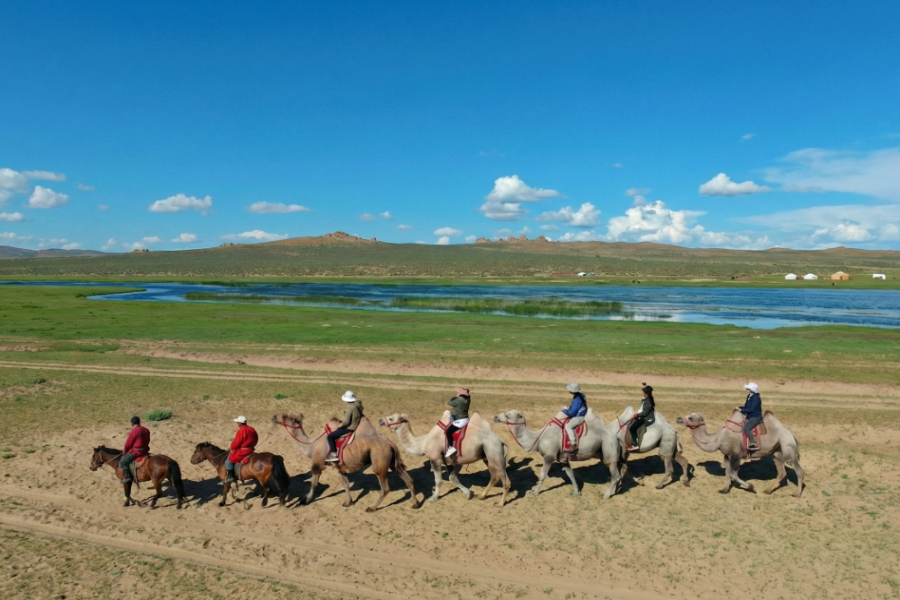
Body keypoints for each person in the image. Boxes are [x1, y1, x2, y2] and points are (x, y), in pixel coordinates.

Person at [327, 391, 364, 463]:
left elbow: (346, 422)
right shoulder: (358, 405)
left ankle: (334, 455)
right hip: (356, 424)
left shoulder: (350, 407)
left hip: (350, 427)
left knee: (330, 436)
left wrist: (339, 426)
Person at [226, 416, 258, 483]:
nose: (237, 423)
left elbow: (236, 443)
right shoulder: (252, 429)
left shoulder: (241, 431)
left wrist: (232, 447)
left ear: (240, 423)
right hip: (251, 449)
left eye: (238, 422)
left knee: (228, 461)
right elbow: (256, 438)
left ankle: (231, 477)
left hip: (243, 451)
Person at [120, 416, 150, 483]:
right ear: (139, 422)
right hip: (145, 451)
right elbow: (148, 441)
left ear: (132, 423)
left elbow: (128, 444)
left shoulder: (133, 431)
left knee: (122, 462)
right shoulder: (146, 430)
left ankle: (127, 477)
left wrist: (124, 452)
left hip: (136, 452)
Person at [561, 383, 588, 457]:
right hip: (578, 416)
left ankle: (573, 444)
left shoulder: (577, 400)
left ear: (572, 391)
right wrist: (568, 407)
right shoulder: (577, 397)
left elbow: (572, 413)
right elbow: (573, 407)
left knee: (568, 426)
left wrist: (564, 410)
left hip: (578, 417)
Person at [627, 384, 656, 452]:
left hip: (647, 419)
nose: (643, 393)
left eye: (644, 392)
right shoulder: (646, 399)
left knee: (632, 428)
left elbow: (645, 413)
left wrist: (637, 415)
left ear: (646, 393)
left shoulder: (648, 401)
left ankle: (635, 444)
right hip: (642, 416)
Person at [444, 388, 471, 458]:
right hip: (466, 418)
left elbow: (449, 402)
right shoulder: (468, 399)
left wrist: (454, 397)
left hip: (460, 420)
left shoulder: (459, 400)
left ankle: (451, 447)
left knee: (448, 432)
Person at [739, 382, 763, 452]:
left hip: (755, 417)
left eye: (748, 389)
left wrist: (742, 410)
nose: (746, 389)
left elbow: (751, 409)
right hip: (750, 416)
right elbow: (746, 407)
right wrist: (740, 408)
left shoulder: (756, 398)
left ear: (751, 390)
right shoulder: (749, 396)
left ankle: (753, 443)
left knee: (746, 428)